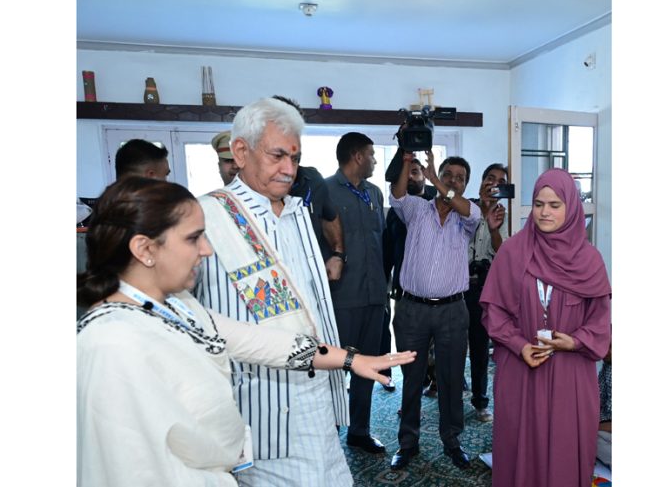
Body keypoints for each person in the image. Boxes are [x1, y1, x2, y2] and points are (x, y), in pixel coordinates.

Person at [76, 176, 416, 487]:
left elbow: (261, 343)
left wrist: (351, 360)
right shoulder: (111, 345)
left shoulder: (177, 305)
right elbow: (131, 471)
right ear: (145, 249)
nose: (207, 250)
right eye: (194, 238)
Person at [193, 98, 365, 485]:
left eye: (295, 157)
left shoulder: (297, 213)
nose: (289, 169)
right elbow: (189, 320)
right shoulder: (206, 217)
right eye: (277, 156)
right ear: (240, 152)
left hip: (317, 394)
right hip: (261, 413)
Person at [480, 168, 611, 487]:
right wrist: (519, 344)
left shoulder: (590, 261)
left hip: (570, 374)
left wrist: (575, 341)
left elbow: (600, 321)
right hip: (521, 369)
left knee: (564, 452)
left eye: (555, 204)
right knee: (518, 448)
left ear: (571, 207)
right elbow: (494, 313)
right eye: (539, 204)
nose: (545, 212)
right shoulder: (512, 252)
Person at [388, 152, 481, 471]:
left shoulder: (469, 215)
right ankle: (407, 443)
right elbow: (397, 194)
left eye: (460, 178)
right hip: (412, 309)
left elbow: (466, 208)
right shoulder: (416, 209)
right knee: (411, 377)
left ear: (465, 185)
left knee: (452, 378)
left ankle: (452, 440)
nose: (454, 180)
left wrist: (437, 180)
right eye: (448, 174)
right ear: (436, 174)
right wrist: (406, 162)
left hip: (453, 311)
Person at [324, 132, 388, 454]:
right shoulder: (325, 193)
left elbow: (383, 243)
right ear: (358, 156)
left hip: (375, 297)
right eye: (372, 155)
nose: (375, 161)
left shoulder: (375, 194)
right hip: (342, 298)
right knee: (335, 369)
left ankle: (359, 431)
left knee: (368, 366)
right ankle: (329, 434)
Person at [272, 95, 347, 282]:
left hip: (310, 280)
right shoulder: (254, 186)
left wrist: (338, 255)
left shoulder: (312, 179)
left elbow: (330, 216)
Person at [383, 151, 437, 392]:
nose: (411, 178)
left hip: (437, 289)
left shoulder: (439, 203)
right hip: (405, 290)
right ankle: (414, 386)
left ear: (424, 176)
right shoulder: (395, 211)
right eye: (407, 174)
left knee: (438, 342)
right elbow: (388, 248)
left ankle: (436, 380)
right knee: (408, 343)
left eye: (415, 172)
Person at [465, 163, 509, 422]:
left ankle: (480, 401)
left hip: (483, 288)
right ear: (481, 181)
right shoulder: (465, 207)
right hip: (458, 285)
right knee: (453, 348)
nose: (493, 183)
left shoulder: (501, 213)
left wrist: (493, 229)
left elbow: (502, 252)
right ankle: (449, 391)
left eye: (499, 181)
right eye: (489, 178)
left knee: (480, 348)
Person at [596, 344, 612, 469]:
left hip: (606, 428)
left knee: (591, 441)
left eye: (611, 346)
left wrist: (591, 428)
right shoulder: (606, 367)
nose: (606, 351)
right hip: (603, 427)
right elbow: (597, 399)